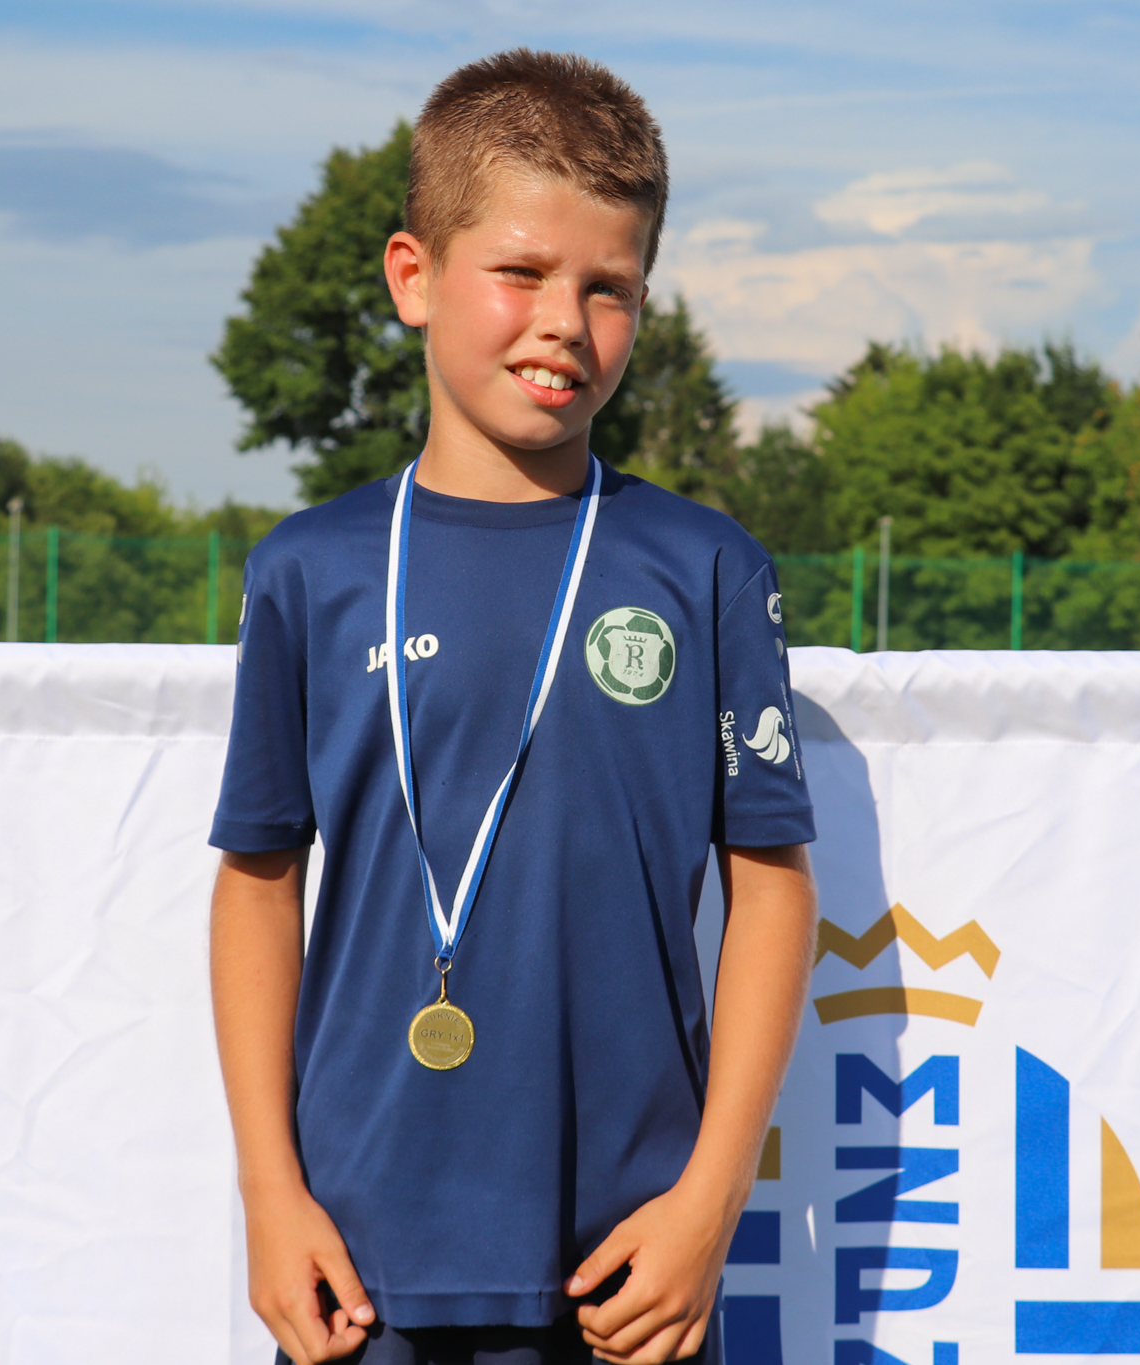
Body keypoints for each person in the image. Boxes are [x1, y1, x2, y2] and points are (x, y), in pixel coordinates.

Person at [209, 49, 818, 1365]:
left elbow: (773, 887)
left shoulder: (706, 569)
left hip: (627, 1266)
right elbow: (257, 880)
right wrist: (270, 1191)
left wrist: (710, 1201)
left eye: (610, 289)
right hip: (360, 1265)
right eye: (523, 272)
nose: (565, 323)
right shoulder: (309, 572)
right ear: (414, 277)